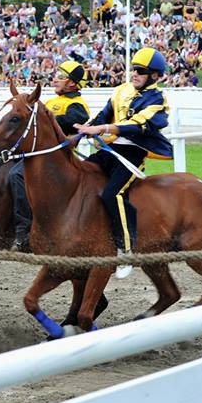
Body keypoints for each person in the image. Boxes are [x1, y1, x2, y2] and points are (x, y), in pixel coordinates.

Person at [74, 47, 172, 279]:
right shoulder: (121, 91)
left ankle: (125, 249)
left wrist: (104, 128)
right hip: (111, 149)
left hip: (133, 154)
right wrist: (80, 134)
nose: (134, 74)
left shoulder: (158, 99)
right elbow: (103, 115)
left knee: (113, 194)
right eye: (133, 69)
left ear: (155, 76)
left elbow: (139, 125)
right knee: (80, 176)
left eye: (140, 71)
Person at [8, 60, 91, 252]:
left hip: (56, 160)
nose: (55, 79)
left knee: (17, 175)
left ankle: (24, 232)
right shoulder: (52, 102)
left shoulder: (78, 105)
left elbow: (71, 121)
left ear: (72, 83)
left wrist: (44, 120)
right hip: (37, 155)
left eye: (61, 77)